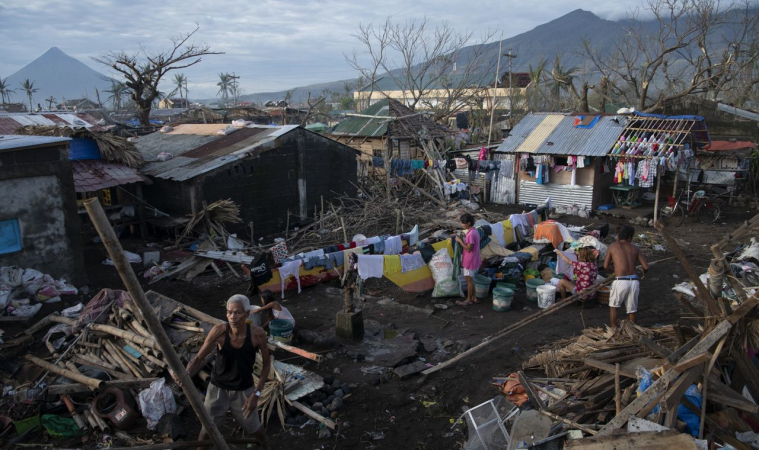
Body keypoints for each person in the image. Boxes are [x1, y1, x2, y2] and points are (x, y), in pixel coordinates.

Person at [173, 294, 271, 450]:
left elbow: (266, 364)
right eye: (229, 312)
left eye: (237, 312)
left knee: (255, 429)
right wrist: (185, 374)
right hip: (218, 388)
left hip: (244, 390)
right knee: (207, 431)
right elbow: (198, 358)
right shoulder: (219, 331)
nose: (232, 317)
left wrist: (256, 394)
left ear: (247, 314)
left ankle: (266, 447)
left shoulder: (257, 334)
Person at [604, 224, 649, 327]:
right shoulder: (635, 248)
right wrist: (644, 274)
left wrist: (614, 272)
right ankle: (633, 331)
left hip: (620, 281)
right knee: (632, 310)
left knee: (614, 307)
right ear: (630, 237)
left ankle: (614, 329)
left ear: (618, 235)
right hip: (634, 282)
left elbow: (606, 266)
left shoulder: (613, 246)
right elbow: (646, 267)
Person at [456, 213, 481, 307]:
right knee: (471, 280)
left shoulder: (471, 234)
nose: (462, 225)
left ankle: (469, 299)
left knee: (468, 280)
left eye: (463, 223)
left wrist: (460, 241)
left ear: (469, 223)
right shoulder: (474, 231)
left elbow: (468, 248)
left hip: (470, 260)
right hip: (475, 258)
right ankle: (474, 297)